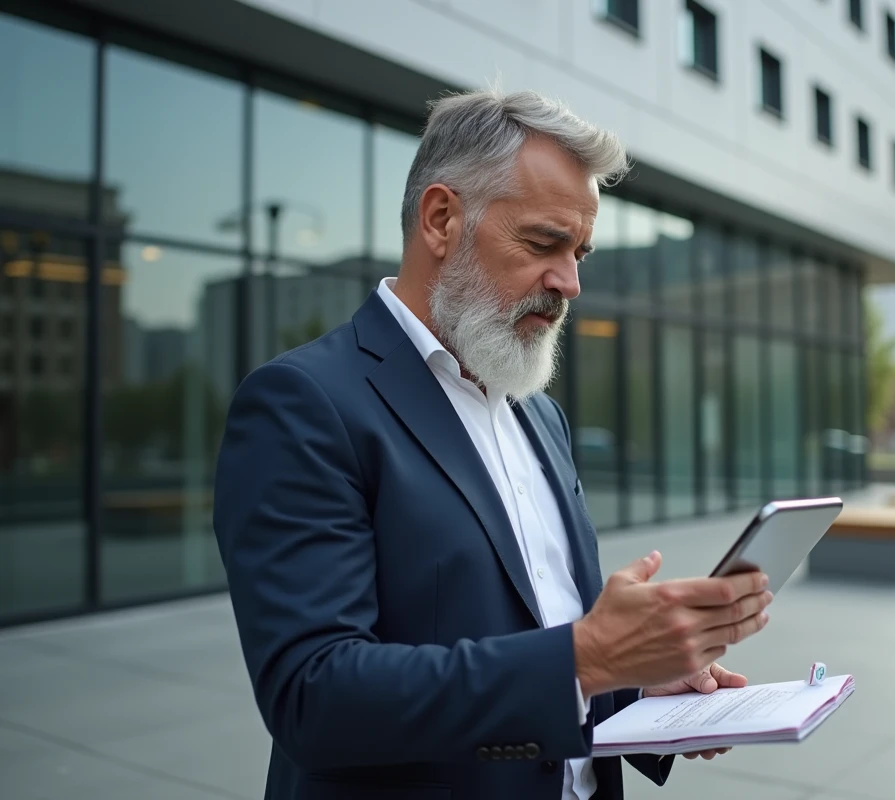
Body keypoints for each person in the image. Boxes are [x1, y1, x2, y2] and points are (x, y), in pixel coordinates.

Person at [212, 87, 773, 800]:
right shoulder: (305, 403)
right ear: (442, 219)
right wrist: (587, 659)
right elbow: (312, 695)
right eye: (543, 243)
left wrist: (635, 679)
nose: (569, 281)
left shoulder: (539, 416)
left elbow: (548, 643)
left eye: (580, 252)